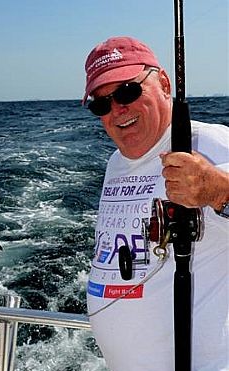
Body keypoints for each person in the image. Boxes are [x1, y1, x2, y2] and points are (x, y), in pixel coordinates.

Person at [83, 36, 229, 371]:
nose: (117, 110)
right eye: (101, 104)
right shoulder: (115, 164)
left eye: (128, 92)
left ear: (163, 83)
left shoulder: (210, 143)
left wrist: (218, 189)